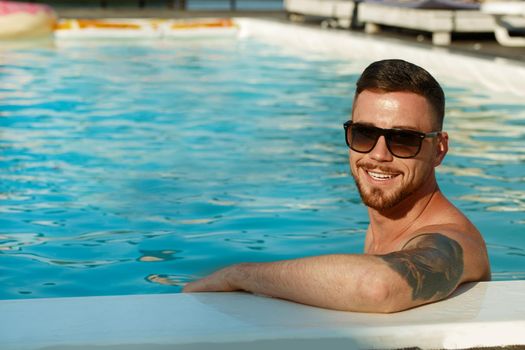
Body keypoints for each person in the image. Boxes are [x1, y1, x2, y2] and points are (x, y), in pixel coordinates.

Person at [183, 59, 491, 313]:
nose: (379, 155)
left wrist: (238, 275)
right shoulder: (386, 227)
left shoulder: (454, 240)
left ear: (439, 148)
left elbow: (378, 286)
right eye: (364, 134)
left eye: (404, 139)